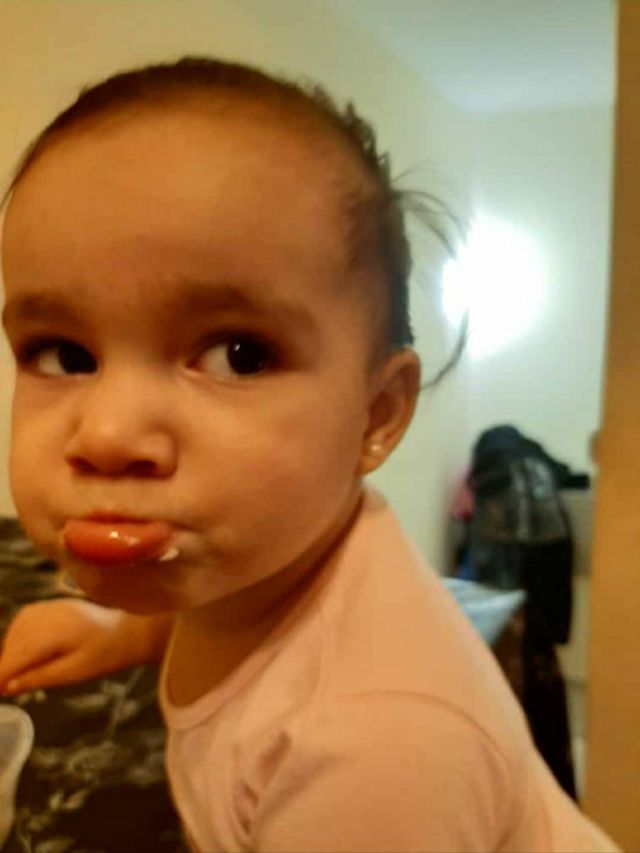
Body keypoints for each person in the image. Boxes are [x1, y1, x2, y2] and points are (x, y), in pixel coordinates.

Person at [0, 57, 619, 852]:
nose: (108, 434)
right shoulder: (268, 559)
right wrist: (126, 632)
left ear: (375, 415)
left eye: (238, 354)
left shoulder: (373, 750)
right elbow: (246, 618)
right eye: (63, 353)